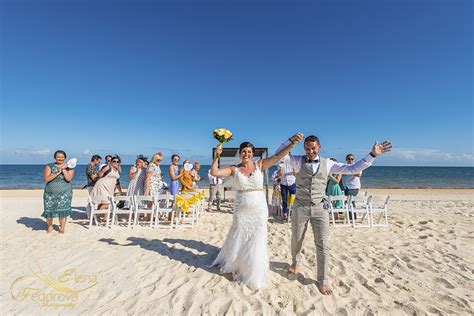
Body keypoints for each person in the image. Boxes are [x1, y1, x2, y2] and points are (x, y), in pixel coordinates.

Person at [276, 134, 391, 295]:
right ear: (304, 148)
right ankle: (296, 263)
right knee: (296, 239)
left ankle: (323, 280)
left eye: (313, 148)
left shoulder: (328, 163)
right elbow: (279, 154)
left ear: (319, 147)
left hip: (320, 209)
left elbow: (353, 169)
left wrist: (372, 155)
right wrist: (290, 141)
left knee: (323, 244)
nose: (310, 151)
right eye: (308, 148)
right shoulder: (296, 160)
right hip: (300, 207)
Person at [210, 136, 299, 289]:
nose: (246, 154)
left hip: (259, 209)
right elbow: (215, 172)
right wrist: (217, 155)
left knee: (257, 237)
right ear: (240, 154)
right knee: (240, 235)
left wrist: (293, 143)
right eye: (243, 151)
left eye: (249, 151)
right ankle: (238, 264)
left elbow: (279, 156)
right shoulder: (234, 169)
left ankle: (254, 269)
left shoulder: (260, 165)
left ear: (253, 153)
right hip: (241, 210)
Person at [42, 150, 75, 233]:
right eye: (58, 157)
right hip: (50, 193)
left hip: (65, 192)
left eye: (62, 157)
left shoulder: (70, 167)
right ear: (55, 157)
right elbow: (46, 179)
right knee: (49, 210)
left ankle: (62, 228)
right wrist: (57, 172)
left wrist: (64, 169)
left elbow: (68, 179)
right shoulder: (49, 166)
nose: (60, 158)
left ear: (65, 157)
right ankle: (50, 226)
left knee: (63, 211)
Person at [90, 156, 121, 220]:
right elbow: (99, 175)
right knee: (107, 202)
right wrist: (102, 171)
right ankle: (96, 215)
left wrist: (120, 190)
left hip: (110, 188)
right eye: (114, 161)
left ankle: (100, 218)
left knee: (104, 202)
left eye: (117, 162)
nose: (116, 162)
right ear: (111, 161)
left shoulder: (117, 169)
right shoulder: (107, 167)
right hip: (102, 186)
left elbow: (117, 182)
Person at [279, 155, 297, 221]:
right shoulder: (281, 163)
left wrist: (294, 169)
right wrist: (280, 170)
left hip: (292, 183)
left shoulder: (293, 162)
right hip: (283, 183)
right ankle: (285, 214)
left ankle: (295, 213)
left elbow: (296, 174)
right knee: (284, 199)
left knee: (295, 199)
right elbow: (278, 175)